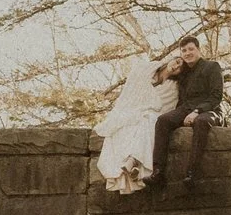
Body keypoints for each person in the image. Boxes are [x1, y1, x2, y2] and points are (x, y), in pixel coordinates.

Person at [94, 51, 178, 194]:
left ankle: (132, 161)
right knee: (127, 124)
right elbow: (133, 90)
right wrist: (139, 105)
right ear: (170, 60)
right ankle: (133, 163)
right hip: (134, 109)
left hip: (151, 113)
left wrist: (148, 107)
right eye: (177, 62)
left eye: (181, 68)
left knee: (148, 121)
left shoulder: (172, 86)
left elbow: (165, 105)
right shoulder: (148, 71)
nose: (176, 67)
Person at [149, 35, 222, 191]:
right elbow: (161, 74)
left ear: (198, 50)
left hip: (210, 110)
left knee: (201, 122)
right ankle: (158, 173)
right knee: (163, 121)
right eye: (184, 51)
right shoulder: (183, 72)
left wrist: (197, 111)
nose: (187, 53)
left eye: (191, 49)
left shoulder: (212, 67)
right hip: (185, 109)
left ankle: (192, 174)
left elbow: (216, 97)